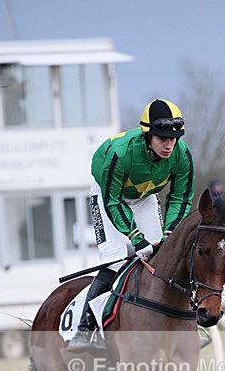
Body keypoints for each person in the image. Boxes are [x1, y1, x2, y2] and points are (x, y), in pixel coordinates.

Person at [68, 98, 194, 353]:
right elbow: (113, 202)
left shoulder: (182, 154)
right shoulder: (120, 153)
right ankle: (85, 327)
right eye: (162, 138)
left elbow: (181, 197)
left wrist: (169, 235)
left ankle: (181, 323)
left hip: (145, 196)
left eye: (174, 138)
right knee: (115, 261)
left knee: (163, 257)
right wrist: (136, 239)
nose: (169, 145)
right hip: (109, 196)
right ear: (148, 135)